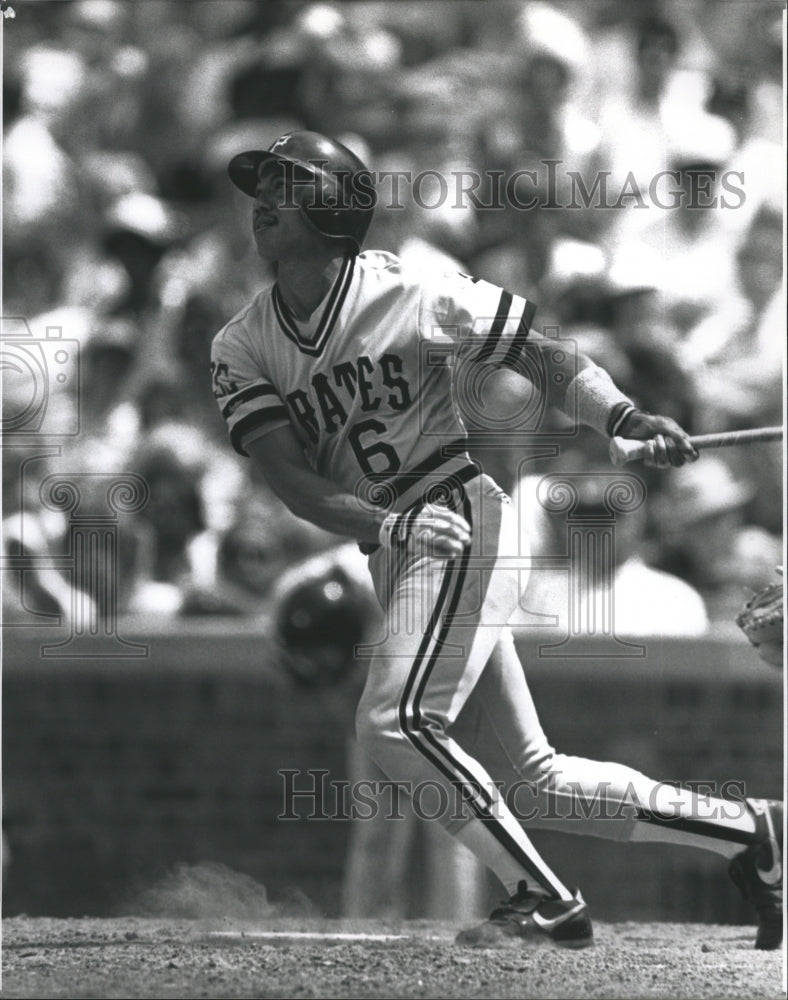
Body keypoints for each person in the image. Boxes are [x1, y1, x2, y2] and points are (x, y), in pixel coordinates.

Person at [210, 131, 782, 950]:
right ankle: (749, 831)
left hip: (456, 519)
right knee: (534, 780)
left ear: (333, 207)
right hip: (399, 542)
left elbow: (541, 356)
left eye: (285, 185)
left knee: (395, 722)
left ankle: (542, 893)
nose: (262, 200)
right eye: (260, 184)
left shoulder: (413, 288)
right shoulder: (241, 343)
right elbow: (288, 477)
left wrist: (618, 416)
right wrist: (380, 525)